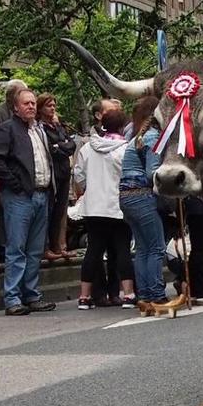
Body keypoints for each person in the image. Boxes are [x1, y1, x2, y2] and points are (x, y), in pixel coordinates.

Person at [0, 88, 58, 316]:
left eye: (32, 103)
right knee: (16, 247)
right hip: (20, 196)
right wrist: (15, 184)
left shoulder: (39, 130)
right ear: (15, 107)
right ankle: (13, 298)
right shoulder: (7, 129)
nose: (31, 106)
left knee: (35, 249)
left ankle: (31, 294)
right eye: (25, 103)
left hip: (42, 193)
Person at [71, 106, 135, 310]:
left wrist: (90, 187)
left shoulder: (87, 148)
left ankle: (84, 296)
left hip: (93, 207)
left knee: (93, 251)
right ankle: (128, 294)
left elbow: (79, 176)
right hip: (118, 206)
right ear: (123, 126)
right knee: (122, 249)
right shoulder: (125, 149)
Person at [119, 96, 168, 305]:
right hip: (142, 195)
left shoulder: (136, 138)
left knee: (142, 248)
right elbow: (152, 173)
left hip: (126, 197)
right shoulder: (153, 137)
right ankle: (156, 293)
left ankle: (145, 295)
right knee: (156, 247)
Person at [37, 93, 76, 261]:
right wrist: (61, 146)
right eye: (48, 106)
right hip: (52, 173)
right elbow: (52, 149)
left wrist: (60, 145)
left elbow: (71, 145)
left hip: (64, 172)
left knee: (61, 211)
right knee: (49, 210)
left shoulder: (58, 126)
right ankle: (45, 246)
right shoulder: (40, 128)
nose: (52, 108)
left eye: (54, 105)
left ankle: (59, 245)